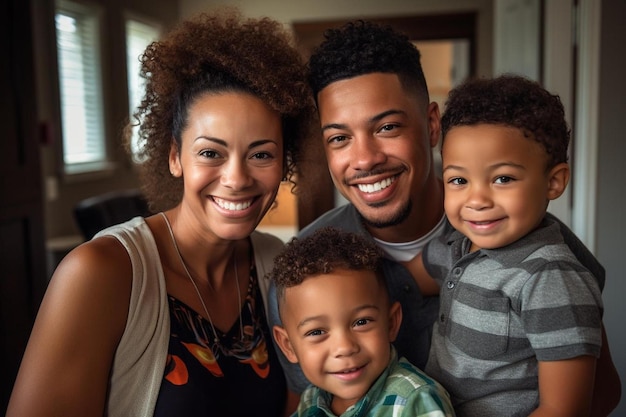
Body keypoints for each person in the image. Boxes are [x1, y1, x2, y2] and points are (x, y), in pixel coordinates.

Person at [267, 19, 621, 416]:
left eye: (386, 127)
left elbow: (599, 394)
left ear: (432, 124)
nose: (365, 158)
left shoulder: (528, 239)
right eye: (339, 138)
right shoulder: (307, 269)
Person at [7, 9, 315, 417]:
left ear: (284, 160)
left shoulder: (276, 263)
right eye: (210, 152)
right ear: (175, 156)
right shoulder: (100, 272)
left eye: (261, 154)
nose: (237, 178)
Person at [417, 74, 602, 416]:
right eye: (459, 180)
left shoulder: (550, 277)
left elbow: (564, 409)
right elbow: (412, 274)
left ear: (554, 181)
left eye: (503, 178)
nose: (477, 199)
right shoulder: (460, 246)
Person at [270, 227, 456, 417]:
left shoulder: (415, 401)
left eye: (361, 322)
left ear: (391, 323)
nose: (344, 347)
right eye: (317, 332)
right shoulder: (311, 401)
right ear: (288, 346)